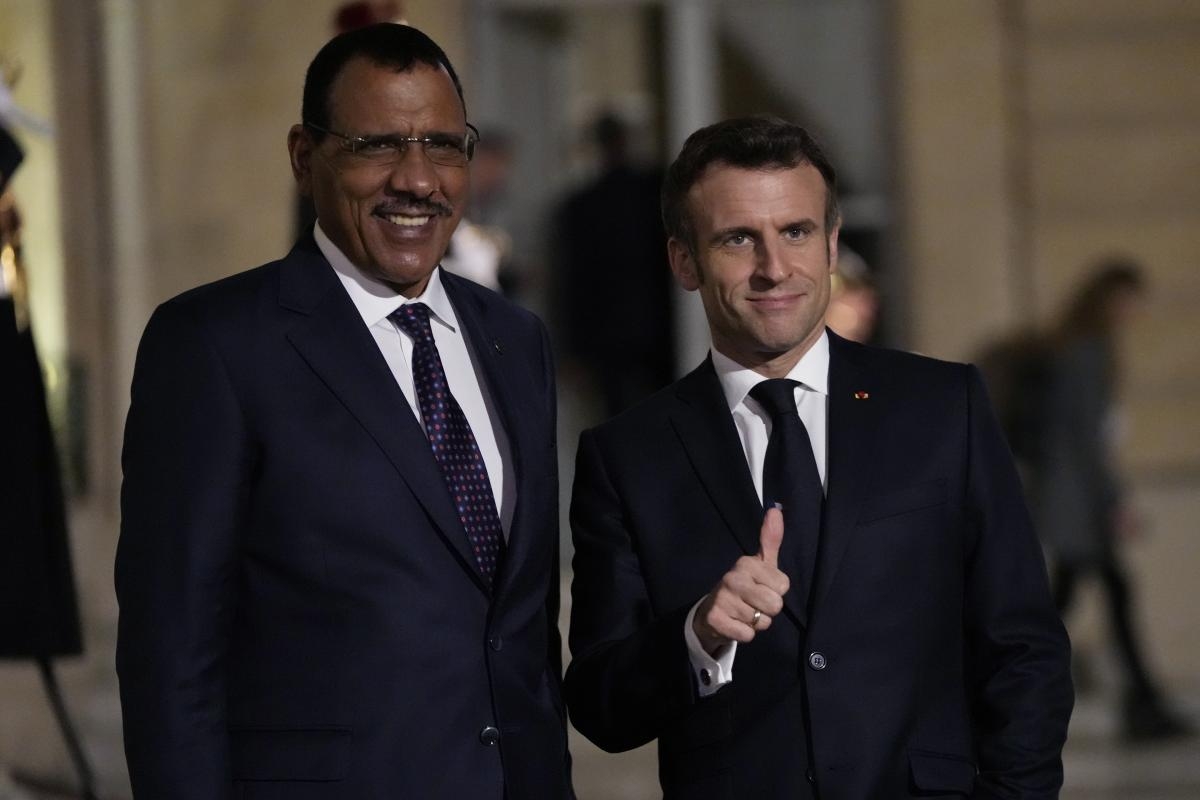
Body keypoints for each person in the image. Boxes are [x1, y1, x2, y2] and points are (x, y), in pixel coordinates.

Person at [116, 24, 572, 799]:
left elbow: (521, 632)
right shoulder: (216, 345)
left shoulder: (516, 340)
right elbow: (172, 654)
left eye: (443, 145)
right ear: (305, 156)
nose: (418, 179)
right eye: (377, 145)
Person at [564, 115, 1073, 798]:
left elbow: (1025, 647)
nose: (774, 268)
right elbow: (600, 706)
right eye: (738, 238)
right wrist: (696, 634)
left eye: (796, 232)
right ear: (684, 262)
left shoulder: (942, 408)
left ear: (832, 244)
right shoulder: (625, 457)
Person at [1035, 259, 1192, 742]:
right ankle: (1143, 705)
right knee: (1102, 598)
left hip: (1075, 500)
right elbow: (1087, 440)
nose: (1134, 311)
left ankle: (1143, 702)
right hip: (1079, 503)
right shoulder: (1088, 351)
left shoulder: (1077, 347)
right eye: (1129, 299)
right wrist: (1112, 502)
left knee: (1065, 604)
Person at [554, 111, 675, 418]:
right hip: (653, 326)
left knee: (620, 417)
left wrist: (574, 349)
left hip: (617, 332)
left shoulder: (584, 205)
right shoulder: (654, 191)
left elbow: (574, 282)